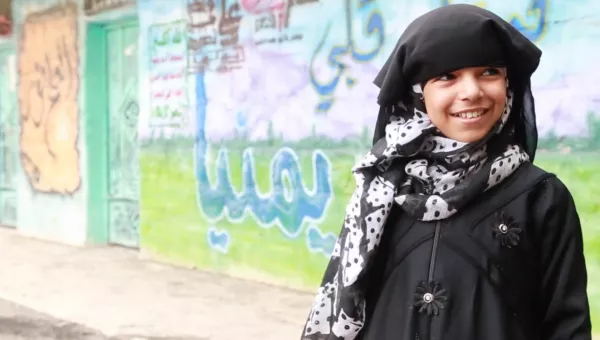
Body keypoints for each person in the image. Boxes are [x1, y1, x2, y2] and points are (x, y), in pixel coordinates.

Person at [300, 4, 592, 340]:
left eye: (489, 72)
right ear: (417, 93)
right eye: (446, 76)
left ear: (508, 84)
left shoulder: (541, 196)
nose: (471, 91)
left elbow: (567, 325)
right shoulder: (381, 191)